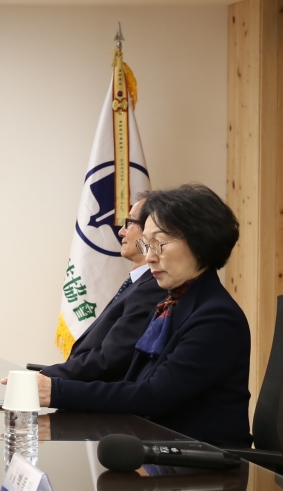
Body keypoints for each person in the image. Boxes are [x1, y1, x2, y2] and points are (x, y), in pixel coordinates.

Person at [35, 184, 252, 449]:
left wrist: (56, 391)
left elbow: (153, 395)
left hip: (200, 459)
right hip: (159, 447)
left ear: (200, 242)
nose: (149, 257)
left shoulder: (217, 318)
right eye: (146, 245)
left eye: (158, 244)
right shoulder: (171, 303)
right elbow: (133, 382)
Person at [40, 196, 165, 382]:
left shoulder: (153, 287)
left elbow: (111, 358)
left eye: (129, 223)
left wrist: (47, 378)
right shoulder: (137, 283)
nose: (121, 232)